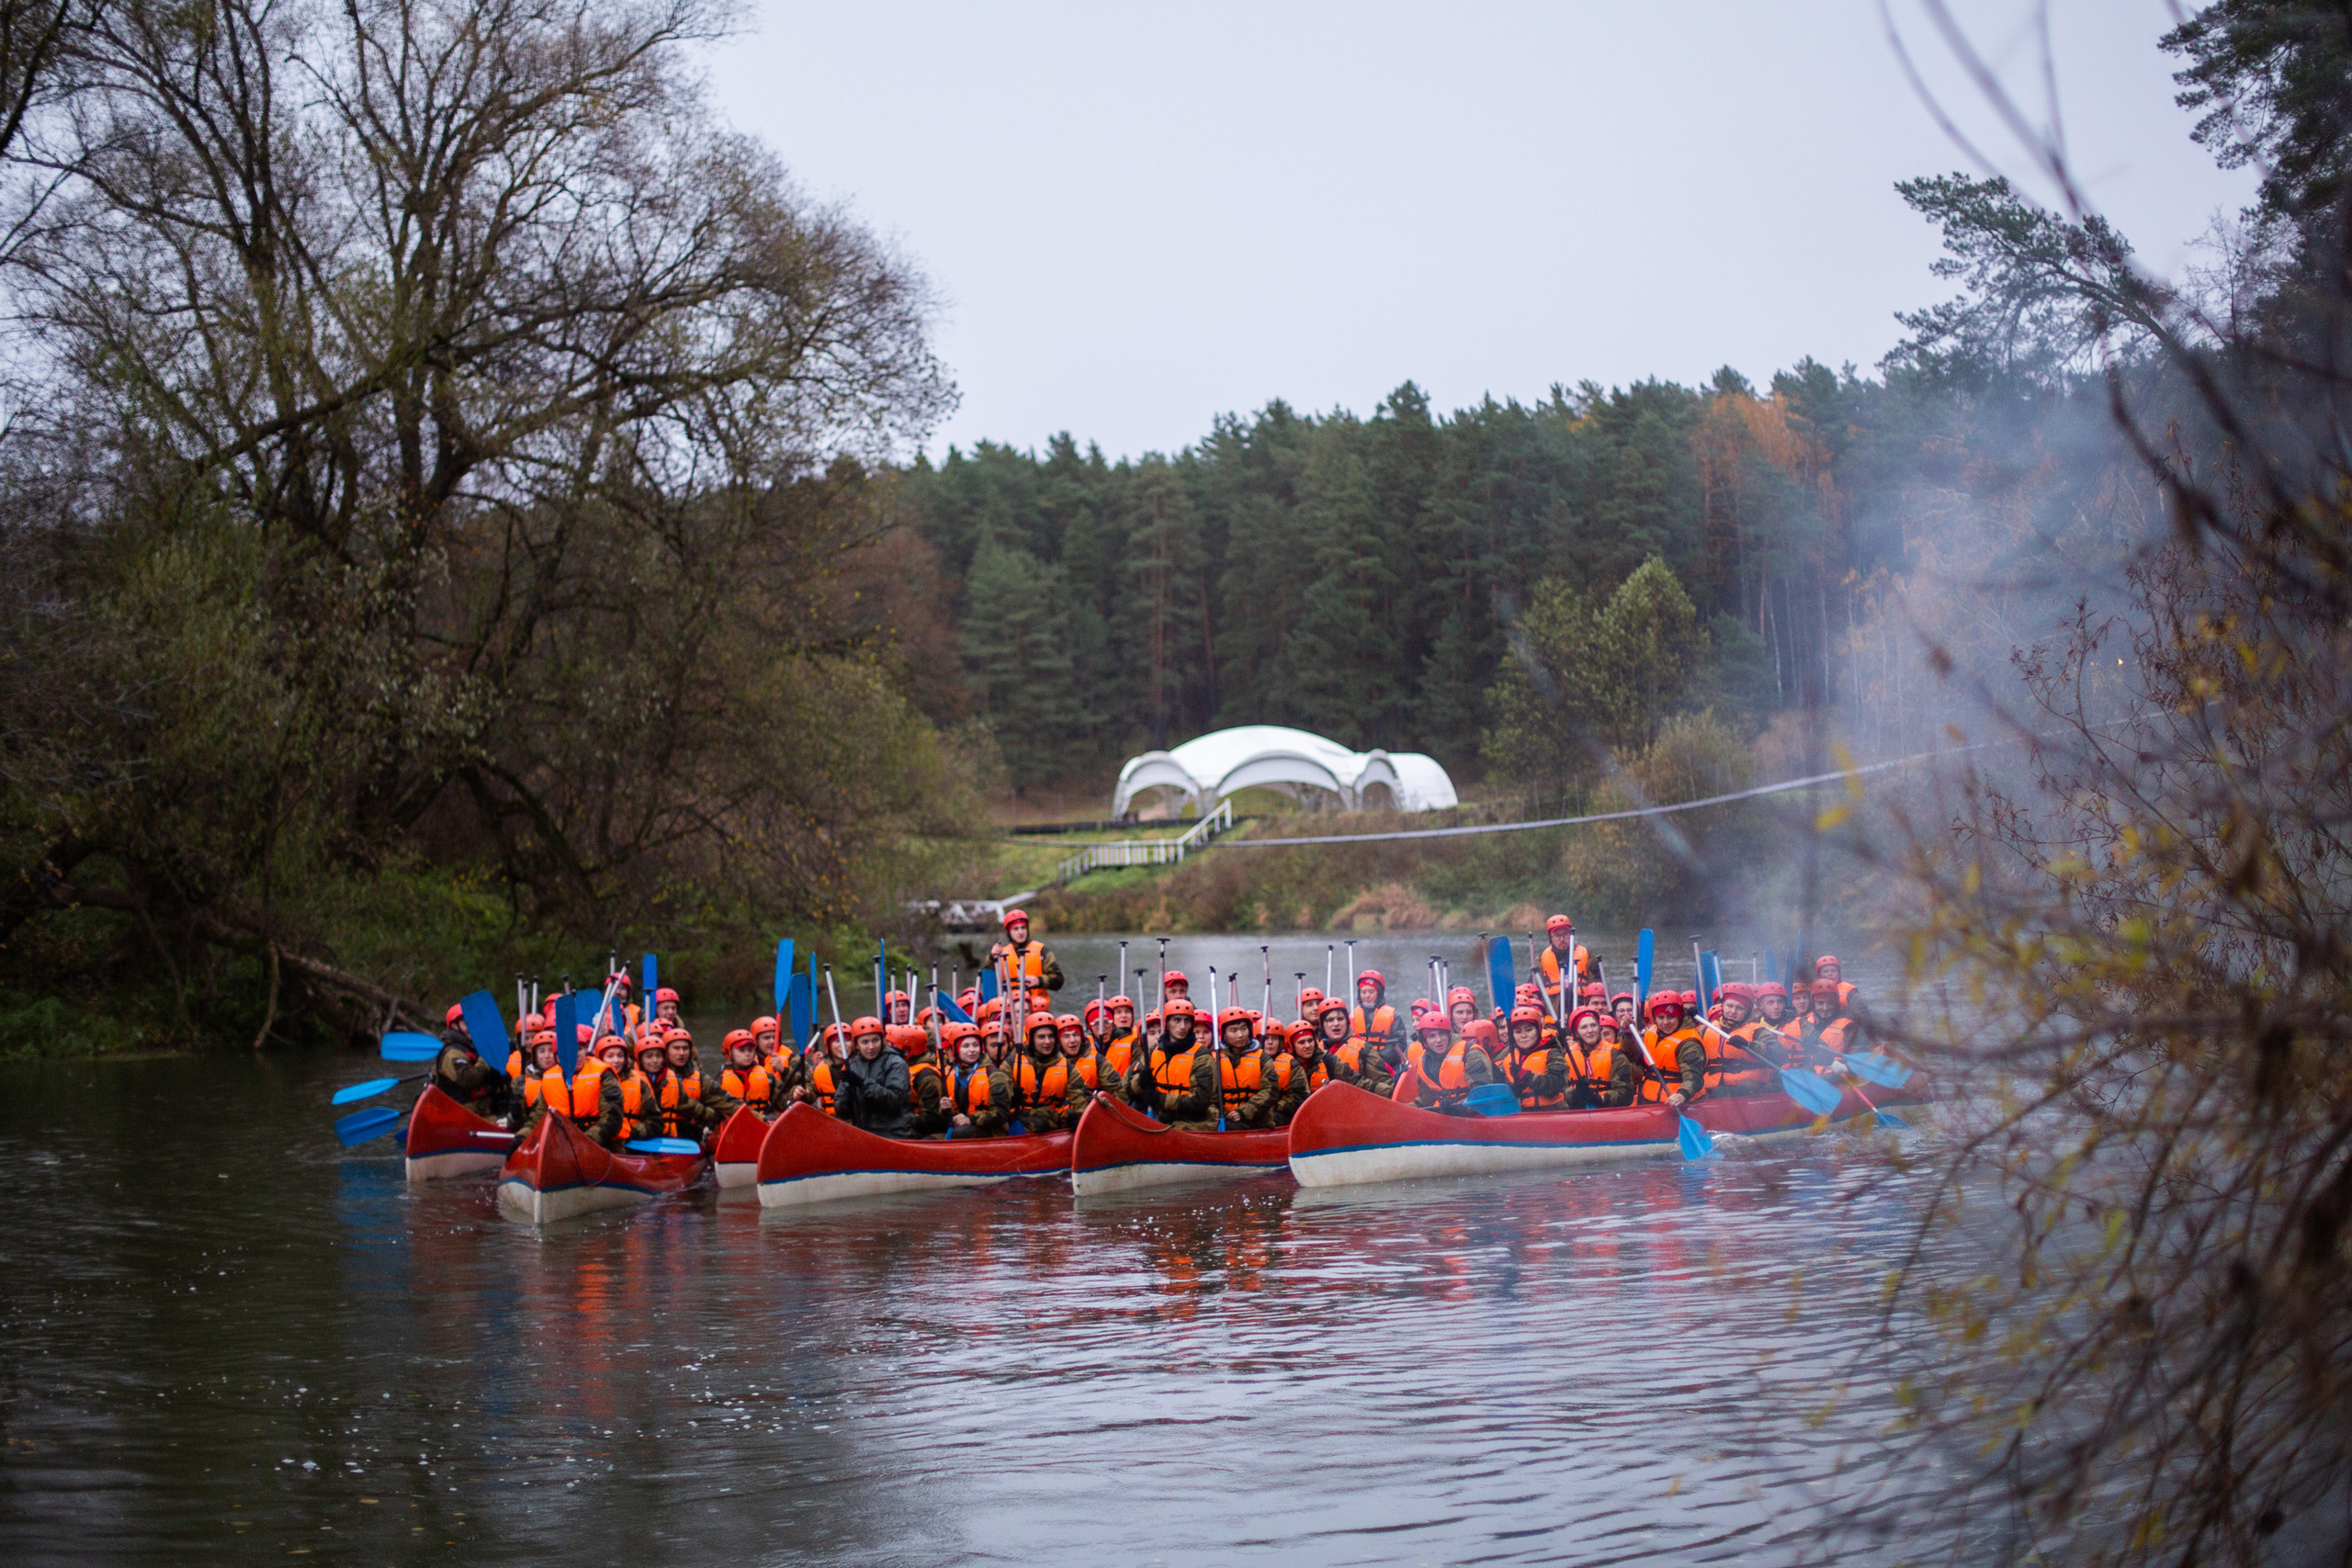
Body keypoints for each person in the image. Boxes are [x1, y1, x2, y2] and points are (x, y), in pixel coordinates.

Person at [1132, 998, 1217, 1128]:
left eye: (1187, 1021)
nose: (1182, 1026)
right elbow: (1129, 1090)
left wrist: (1158, 1098)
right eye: (1177, 1020)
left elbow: (1199, 1103)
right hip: (1160, 1116)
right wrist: (1140, 1082)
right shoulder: (1154, 1051)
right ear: (1167, 1023)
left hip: (1192, 1121)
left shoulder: (1201, 1056)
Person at [834, 1016, 912, 1137]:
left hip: (893, 1133)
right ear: (857, 1045)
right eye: (865, 1042)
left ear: (883, 1041)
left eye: (875, 1040)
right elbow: (841, 1111)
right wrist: (847, 1097)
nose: (871, 1047)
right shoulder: (853, 1065)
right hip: (863, 1132)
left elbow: (895, 1101)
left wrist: (863, 1084)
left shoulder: (896, 1063)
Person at [430, 1010, 513, 1120]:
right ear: (454, 1027)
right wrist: (486, 1058)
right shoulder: (451, 1053)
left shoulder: (473, 1047)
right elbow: (468, 1080)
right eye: (465, 1024)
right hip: (461, 1115)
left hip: (483, 1108)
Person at [1408, 1014, 1496, 1110]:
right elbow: (1425, 1099)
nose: (1438, 1040)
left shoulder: (1471, 1053)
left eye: (1441, 1034)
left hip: (1471, 1111)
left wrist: (1457, 1108)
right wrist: (1405, 1109)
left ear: (1448, 1035)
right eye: (1432, 1036)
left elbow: (1483, 1091)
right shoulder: (1423, 1063)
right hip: (1443, 1114)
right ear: (1425, 1040)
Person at [1562, 1008, 1640, 1109]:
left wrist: (1600, 1099)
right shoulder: (1566, 1055)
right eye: (1584, 1027)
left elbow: (1626, 1094)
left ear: (1599, 1028)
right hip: (1575, 1113)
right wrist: (1574, 1094)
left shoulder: (1615, 1055)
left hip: (1606, 1114)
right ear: (1576, 1033)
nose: (1590, 1030)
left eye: (1593, 1025)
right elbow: (1557, 1089)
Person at [944, 1023, 1012, 1138]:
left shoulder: (994, 1074)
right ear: (955, 1049)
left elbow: (1002, 1113)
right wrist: (944, 1109)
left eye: (975, 1045)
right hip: (959, 1127)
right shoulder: (950, 1073)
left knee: (962, 1132)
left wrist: (971, 1120)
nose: (972, 1050)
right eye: (965, 1046)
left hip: (992, 1131)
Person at [1502, 1004, 1568, 1111]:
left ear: (1539, 1030)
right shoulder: (1509, 1058)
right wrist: (1511, 1090)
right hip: (1522, 1115)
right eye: (1518, 1032)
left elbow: (1554, 1086)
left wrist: (1525, 1075)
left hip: (1552, 1112)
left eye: (1529, 1030)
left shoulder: (1553, 1053)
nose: (1523, 1036)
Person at [989, 908, 1064, 996]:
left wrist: (1039, 981)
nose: (1020, 932)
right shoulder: (1000, 953)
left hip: (1036, 1005)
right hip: (1010, 1005)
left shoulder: (1041, 950)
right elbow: (986, 977)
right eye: (1015, 929)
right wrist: (991, 957)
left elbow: (1058, 980)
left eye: (1023, 928)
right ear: (1008, 932)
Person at [1269, 1021, 1329, 1126]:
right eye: (1301, 1042)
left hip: (1323, 1113)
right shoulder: (1288, 1064)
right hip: (1293, 1115)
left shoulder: (1328, 1060)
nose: (1307, 1046)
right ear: (1291, 1045)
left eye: (1310, 1041)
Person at [897, 1023, 952, 1137]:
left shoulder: (926, 1075)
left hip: (927, 1130)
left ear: (907, 1050)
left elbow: (933, 1118)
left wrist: (898, 1120)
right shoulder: (900, 1067)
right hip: (908, 1122)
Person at [514, 1027, 568, 1131]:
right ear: (535, 1055)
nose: (547, 1056)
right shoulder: (520, 1082)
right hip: (533, 1131)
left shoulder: (568, 1079)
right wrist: (515, 1117)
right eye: (542, 1051)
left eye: (551, 1051)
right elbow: (515, 1125)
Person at [1350, 970, 1408, 1064]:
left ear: (1379, 992)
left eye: (1371, 992)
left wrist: (1378, 1057)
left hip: (1385, 1064)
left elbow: (1400, 1043)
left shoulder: (1393, 1015)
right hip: (1358, 1062)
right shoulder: (1352, 1016)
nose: (1367, 996)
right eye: (1364, 992)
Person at [1536, 915, 1591, 1011]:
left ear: (1571, 935)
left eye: (1565, 934)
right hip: (1553, 1010)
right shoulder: (1541, 960)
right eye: (1557, 935)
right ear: (1550, 938)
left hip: (1581, 1006)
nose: (1562, 939)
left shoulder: (1587, 955)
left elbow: (1597, 985)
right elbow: (1535, 989)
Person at [719, 1029, 775, 1117]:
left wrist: (794, 1093)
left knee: (772, 1117)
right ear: (728, 1053)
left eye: (750, 1050)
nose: (747, 1054)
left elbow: (784, 1101)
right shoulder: (720, 1079)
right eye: (741, 1050)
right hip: (734, 1124)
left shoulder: (767, 1076)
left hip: (762, 1122)